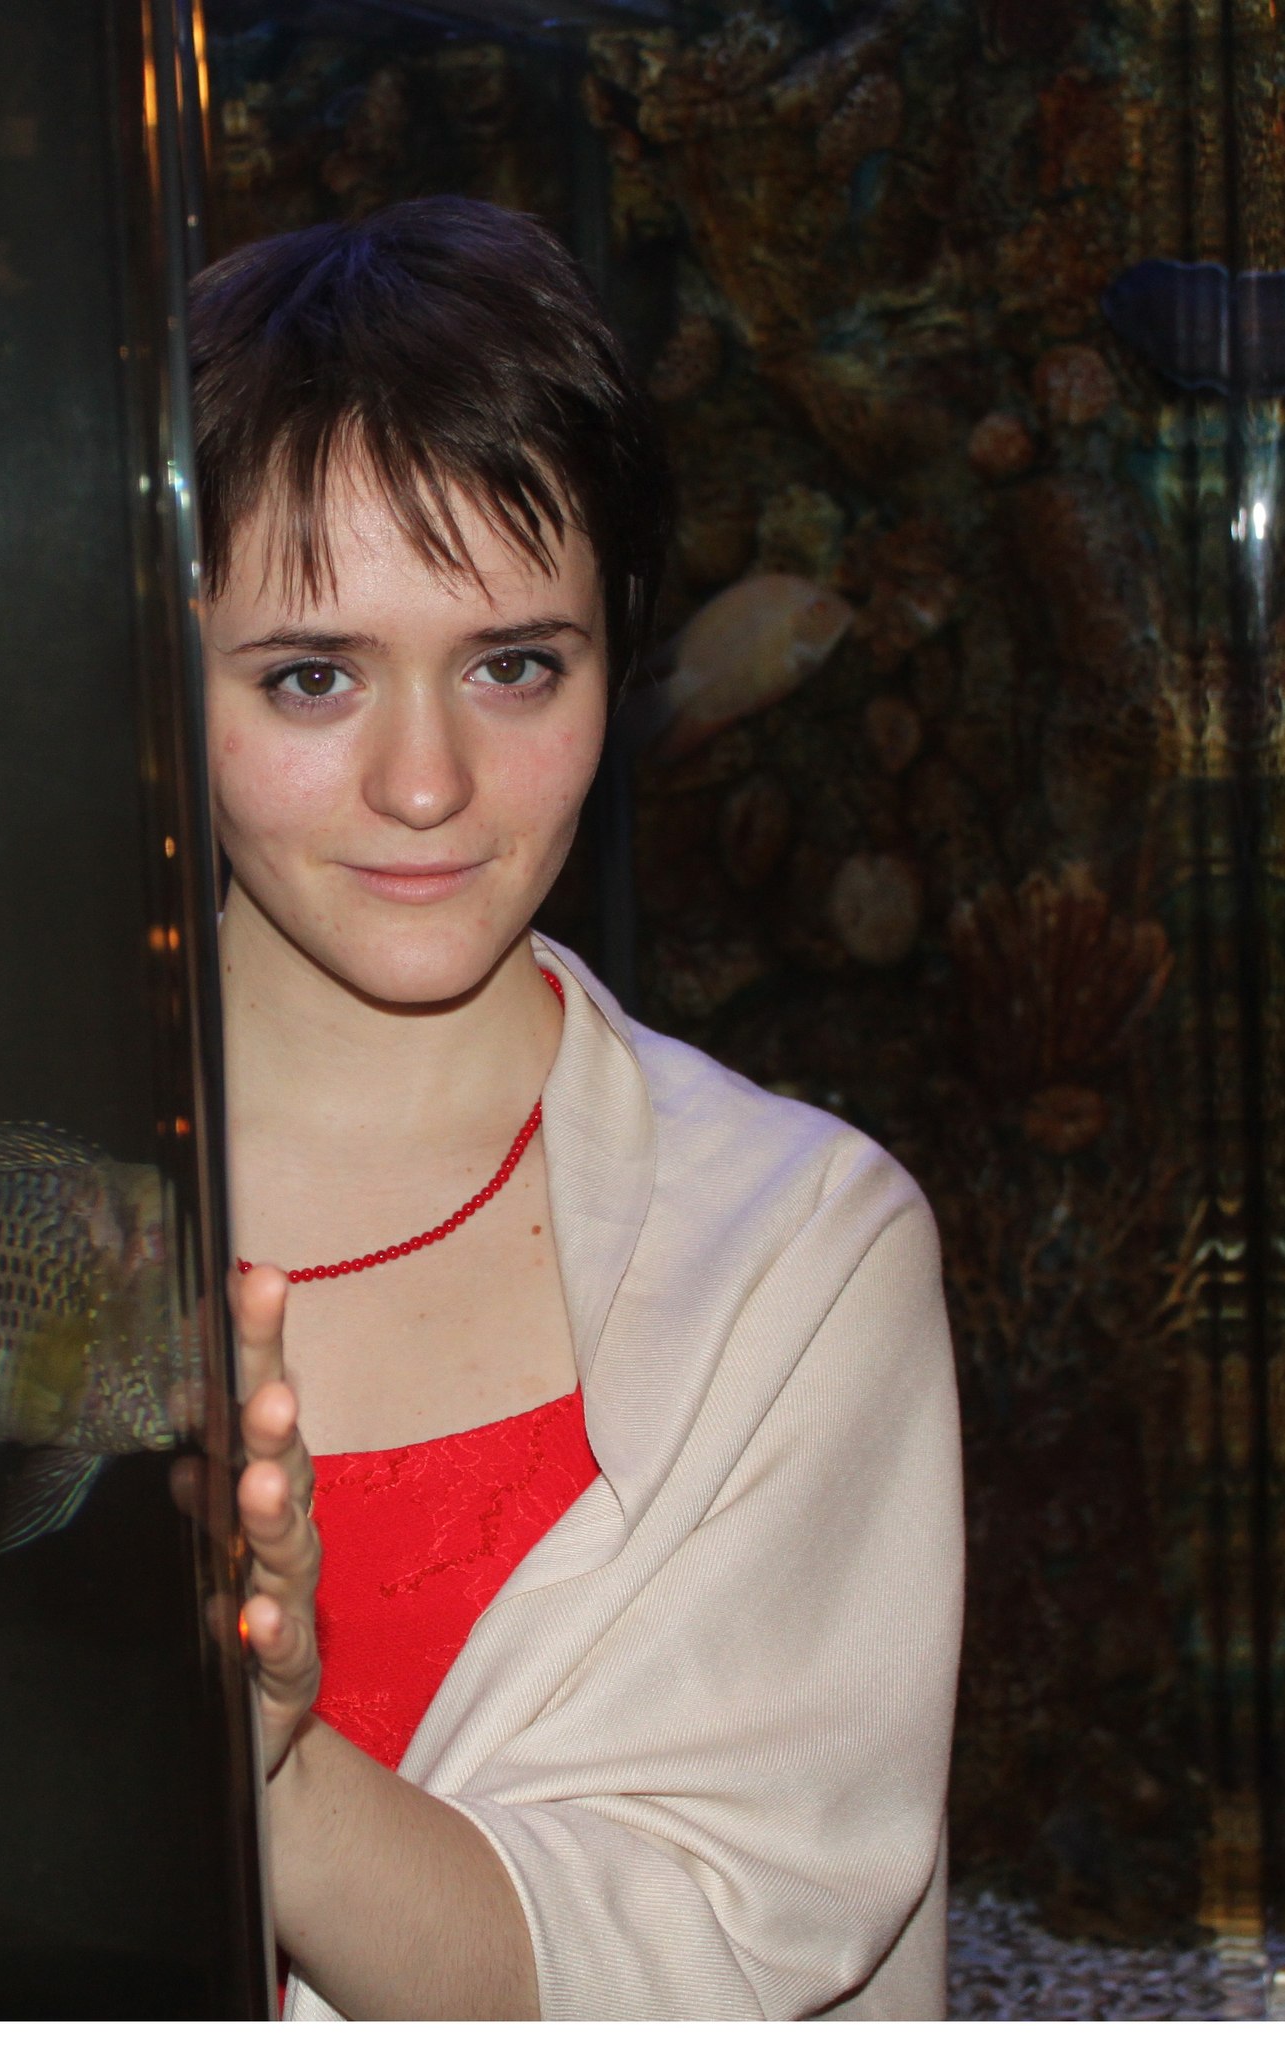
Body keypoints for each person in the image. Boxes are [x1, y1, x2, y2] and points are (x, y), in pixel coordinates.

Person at [170, 197, 963, 2022]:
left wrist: (263, 1770)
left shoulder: (792, 1255)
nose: (426, 782)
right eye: (312, 675)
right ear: (155, 674)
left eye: (513, 663)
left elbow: (706, 1953)